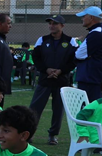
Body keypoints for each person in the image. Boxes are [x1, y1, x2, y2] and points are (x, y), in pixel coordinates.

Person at [29, 15, 76, 145]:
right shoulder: (42, 40)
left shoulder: (71, 41)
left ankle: (53, 135)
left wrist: (61, 71)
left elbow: (73, 60)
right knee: (35, 107)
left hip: (61, 80)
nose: (51, 26)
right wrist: (46, 70)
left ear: (62, 26)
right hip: (45, 79)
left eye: (55, 23)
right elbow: (36, 58)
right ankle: (28, 133)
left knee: (58, 109)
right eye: (50, 23)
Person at [73, 5, 102, 103]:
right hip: (91, 77)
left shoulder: (96, 34)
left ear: (91, 18)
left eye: (84, 16)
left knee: (88, 109)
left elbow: (78, 55)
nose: (82, 19)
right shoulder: (96, 32)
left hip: (90, 78)